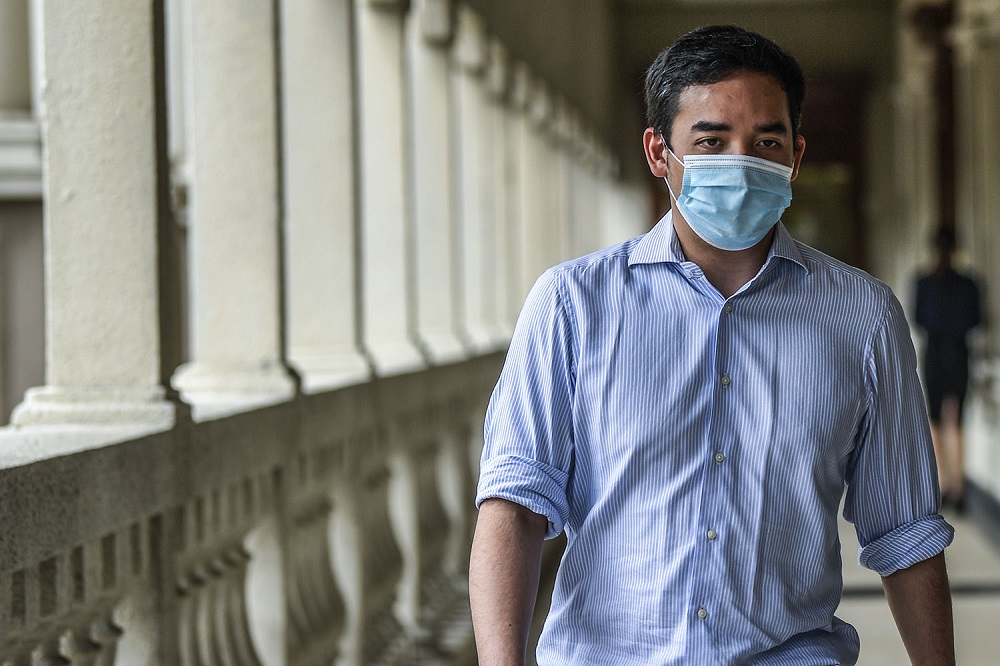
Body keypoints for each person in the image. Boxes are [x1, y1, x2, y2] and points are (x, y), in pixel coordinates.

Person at [469, 25, 956, 665]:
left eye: (766, 142)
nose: (740, 162)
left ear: (796, 157)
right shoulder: (571, 306)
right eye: (711, 141)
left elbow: (907, 532)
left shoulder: (862, 318)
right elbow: (515, 505)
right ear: (657, 152)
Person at [914, 225, 982, 513]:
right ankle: (959, 486)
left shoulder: (924, 282)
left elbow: (918, 318)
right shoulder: (969, 283)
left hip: (934, 353)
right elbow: (977, 319)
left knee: (936, 422)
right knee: (957, 421)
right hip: (959, 353)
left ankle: (941, 485)